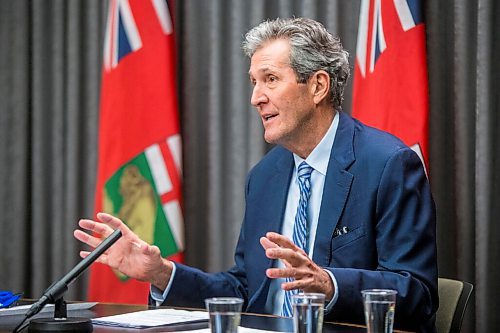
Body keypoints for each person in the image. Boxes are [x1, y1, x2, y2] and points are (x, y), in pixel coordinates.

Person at [75, 17, 438, 332]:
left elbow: (417, 295)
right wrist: (161, 273)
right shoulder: (265, 175)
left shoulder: (387, 163)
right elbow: (245, 290)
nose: (256, 98)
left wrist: (329, 284)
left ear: (317, 86)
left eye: (270, 79)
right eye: (254, 81)